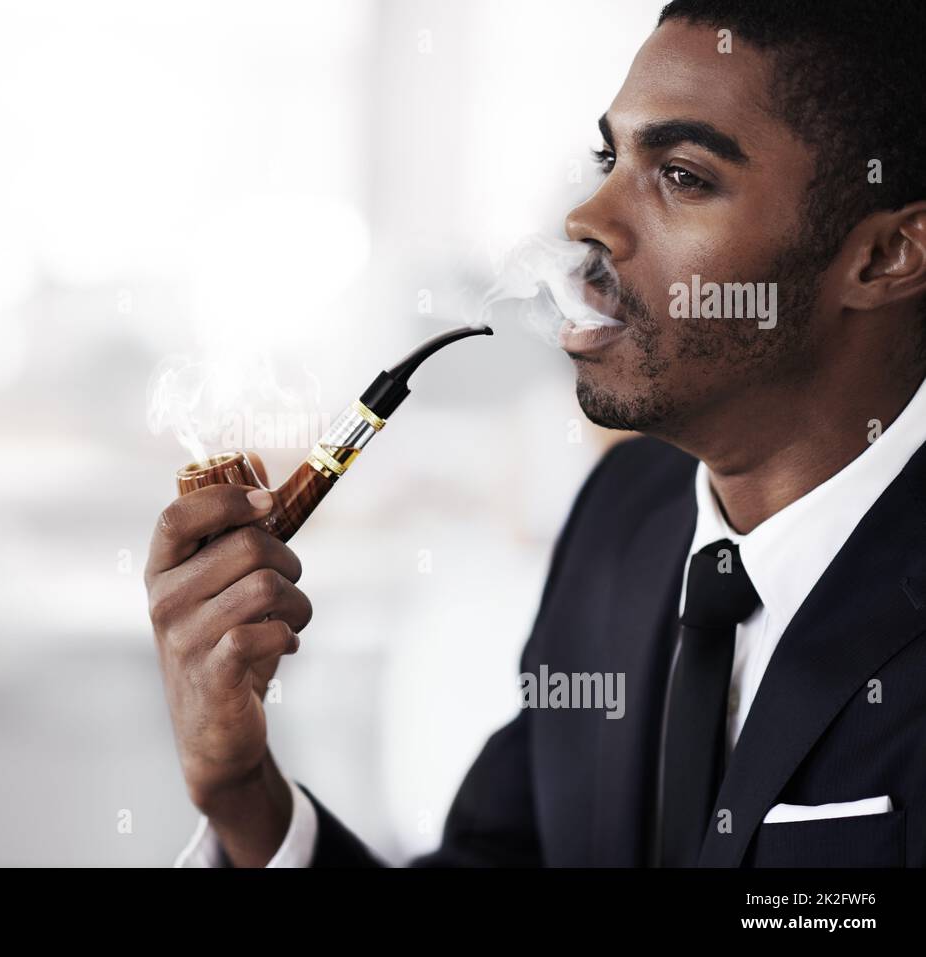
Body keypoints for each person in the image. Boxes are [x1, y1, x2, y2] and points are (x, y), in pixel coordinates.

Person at [143, 0, 926, 867]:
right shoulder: (624, 524)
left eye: (683, 175)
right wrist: (243, 793)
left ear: (887, 256)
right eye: (609, 157)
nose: (588, 219)